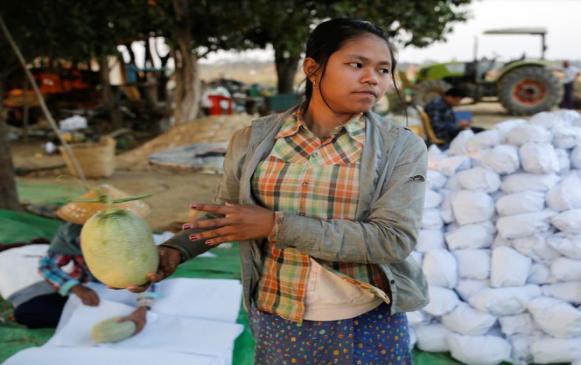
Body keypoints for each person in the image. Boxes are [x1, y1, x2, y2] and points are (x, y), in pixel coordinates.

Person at [129, 18, 428, 364]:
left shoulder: (400, 147)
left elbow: (393, 239)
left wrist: (275, 225)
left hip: (366, 322)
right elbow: (223, 213)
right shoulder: (253, 139)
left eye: (383, 69)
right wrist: (175, 251)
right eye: (356, 64)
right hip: (278, 318)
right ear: (313, 69)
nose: (372, 78)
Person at [11, 185, 155, 333]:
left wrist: (143, 308)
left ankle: (120, 316)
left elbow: (147, 273)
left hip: (127, 292)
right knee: (25, 312)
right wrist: (76, 287)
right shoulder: (71, 234)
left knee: (155, 311)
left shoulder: (132, 233)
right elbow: (47, 265)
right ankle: (91, 317)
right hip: (88, 290)